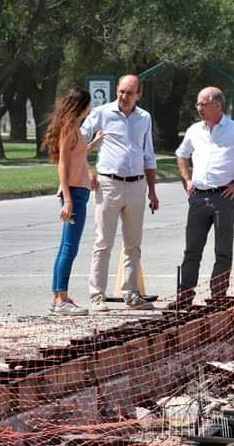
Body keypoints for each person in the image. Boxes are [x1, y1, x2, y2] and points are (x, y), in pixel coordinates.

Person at [174, 86, 234, 307]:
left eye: (203, 104)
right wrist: (186, 179)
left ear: (217, 105)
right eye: (198, 104)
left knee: (223, 251)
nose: (199, 108)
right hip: (198, 197)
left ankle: (217, 298)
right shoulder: (195, 130)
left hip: (224, 197)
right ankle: (184, 298)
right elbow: (181, 154)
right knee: (192, 250)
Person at [81, 74, 159, 311]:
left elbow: (148, 155)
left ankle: (131, 293)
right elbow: (78, 143)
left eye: (129, 93)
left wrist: (152, 191)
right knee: (103, 242)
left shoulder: (144, 117)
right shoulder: (102, 113)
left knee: (133, 244)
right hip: (109, 184)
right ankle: (97, 295)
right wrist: (87, 170)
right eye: (121, 91)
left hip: (136, 185)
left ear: (139, 95)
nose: (124, 97)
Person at [41, 88, 105, 316]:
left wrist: (92, 145)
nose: (90, 109)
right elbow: (63, 164)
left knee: (66, 247)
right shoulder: (69, 128)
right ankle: (61, 300)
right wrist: (67, 199)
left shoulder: (74, 128)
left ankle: (59, 297)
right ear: (82, 106)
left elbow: (76, 156)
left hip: (80, 190)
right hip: (74, 194)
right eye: (88, 104)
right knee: (69, 247)